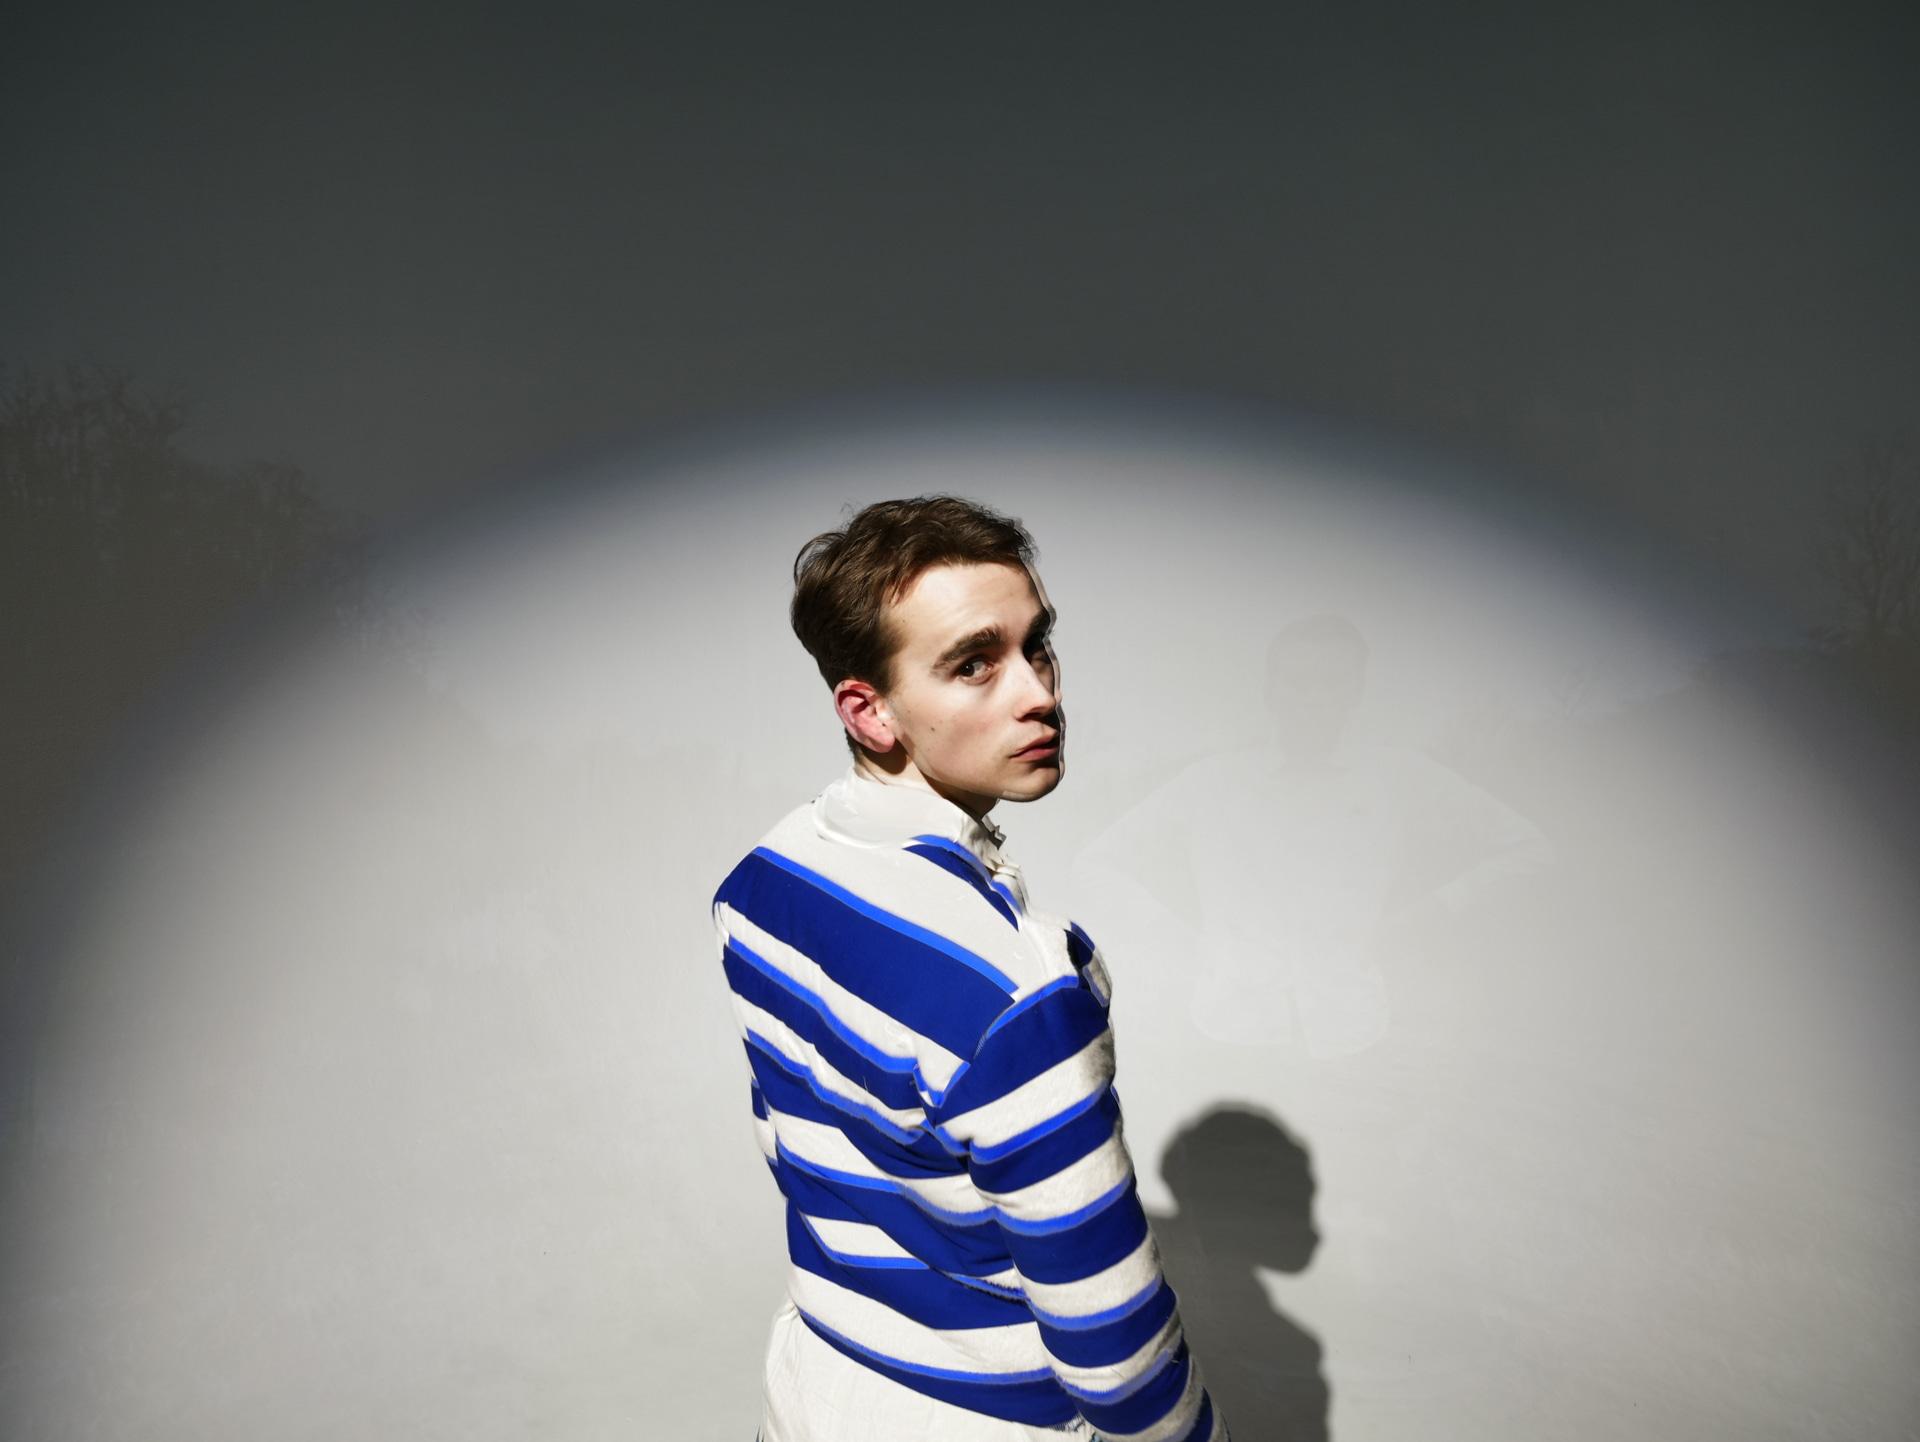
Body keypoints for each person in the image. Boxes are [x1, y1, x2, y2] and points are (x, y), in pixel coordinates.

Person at [712, 495, 1227, 1442]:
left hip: (814, 1386)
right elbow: (1118, 1363)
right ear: (868, 711)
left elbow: (807, 1156)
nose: (1038, 693)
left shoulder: (762, 882)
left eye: (1038, 646)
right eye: (974, 664)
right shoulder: (1020, 995)